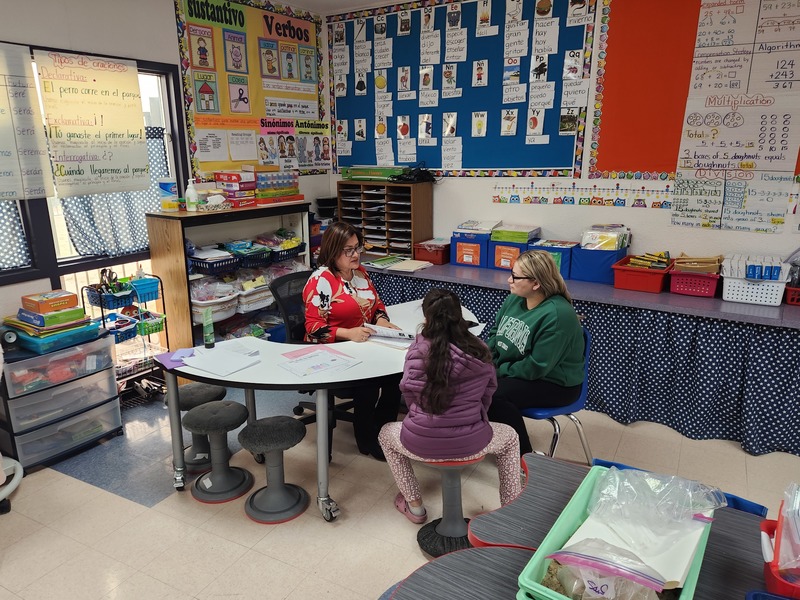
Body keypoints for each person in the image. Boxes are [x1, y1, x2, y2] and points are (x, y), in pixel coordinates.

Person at [378, 289, 521, 524]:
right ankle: (509, 512)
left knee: (386, 433)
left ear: (426, 318)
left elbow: (408, 394)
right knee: (511, 438)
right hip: (474, 440)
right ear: (460, 316)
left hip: (420, 441)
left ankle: (414, 506)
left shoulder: (417, 351)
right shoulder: (479, 350)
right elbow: (488, 395)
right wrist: (474, 419)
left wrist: (421, 419)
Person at [303, 221, 402, 460]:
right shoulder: (321, 281)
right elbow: (313, 327)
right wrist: (349, 333)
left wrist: (381, 320)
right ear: (333, 251)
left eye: (358, 247)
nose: (356, 254)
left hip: (363, 344)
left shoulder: (360, 273)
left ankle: (382, 429)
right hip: (331, 349)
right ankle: (367, 440)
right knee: (368, 383)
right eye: (348, 250)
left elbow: (376, 304)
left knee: (397, 374)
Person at [486, 250, 585, 456]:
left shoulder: (558, 315)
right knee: (472, 382)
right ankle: (490, 440)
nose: (509, 280)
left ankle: (524, 457)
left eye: (515, 276)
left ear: (536, 283)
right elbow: (496, 334)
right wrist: (487, 362)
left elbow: (536, 366)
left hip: (555, 383)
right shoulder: (515, 299)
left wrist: (498, 371)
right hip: (515, 370)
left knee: (494, 395)